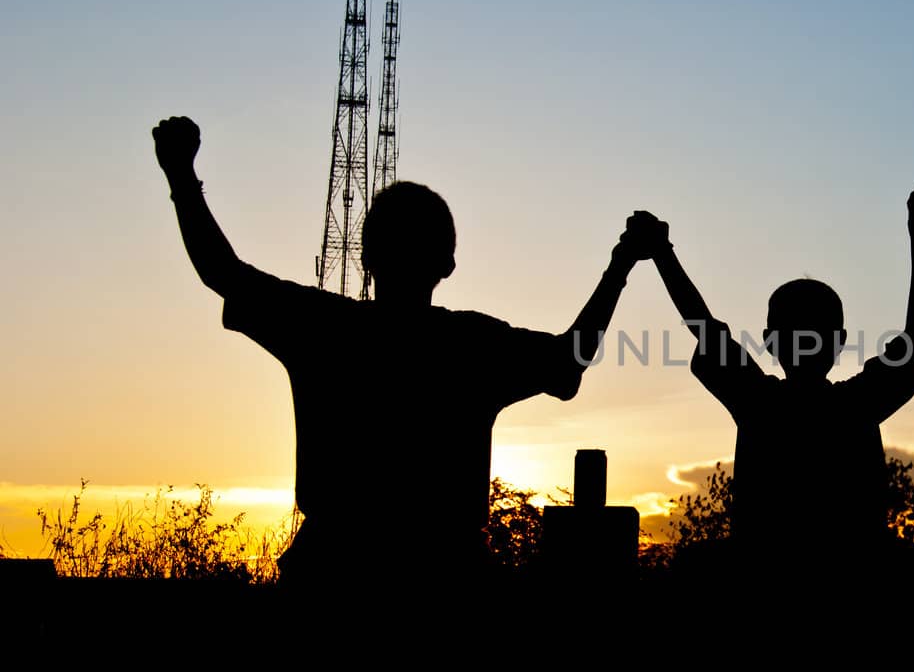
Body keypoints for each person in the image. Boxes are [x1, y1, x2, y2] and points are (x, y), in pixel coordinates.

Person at [151, 115, 642, 596]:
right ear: (448, 264)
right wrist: (619, 266)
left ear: (366, 259)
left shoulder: (324, 329)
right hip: (443, 577)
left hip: (334, 573)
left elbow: (222, 272)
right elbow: (568, 362)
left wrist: (181, 176)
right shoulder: (472, 346)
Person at [625, 189, 914, 609]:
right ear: (840, 342)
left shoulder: (760, 402)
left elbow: (705, 328)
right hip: (857, 589)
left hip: (765, 590)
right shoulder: (856, 404)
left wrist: (664, 254)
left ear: (771, 342)